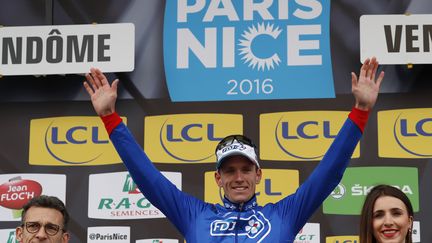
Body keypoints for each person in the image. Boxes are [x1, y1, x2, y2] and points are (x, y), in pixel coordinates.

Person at [83, 57, 384, 242]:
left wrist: (360, 110)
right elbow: (148, 178)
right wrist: (110, 117)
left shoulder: (283, 215)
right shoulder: (194, 215)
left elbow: (327, 175)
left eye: (245, 169)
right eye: (229, 170)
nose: (238, 177)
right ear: (218, 178)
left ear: (258, 174)